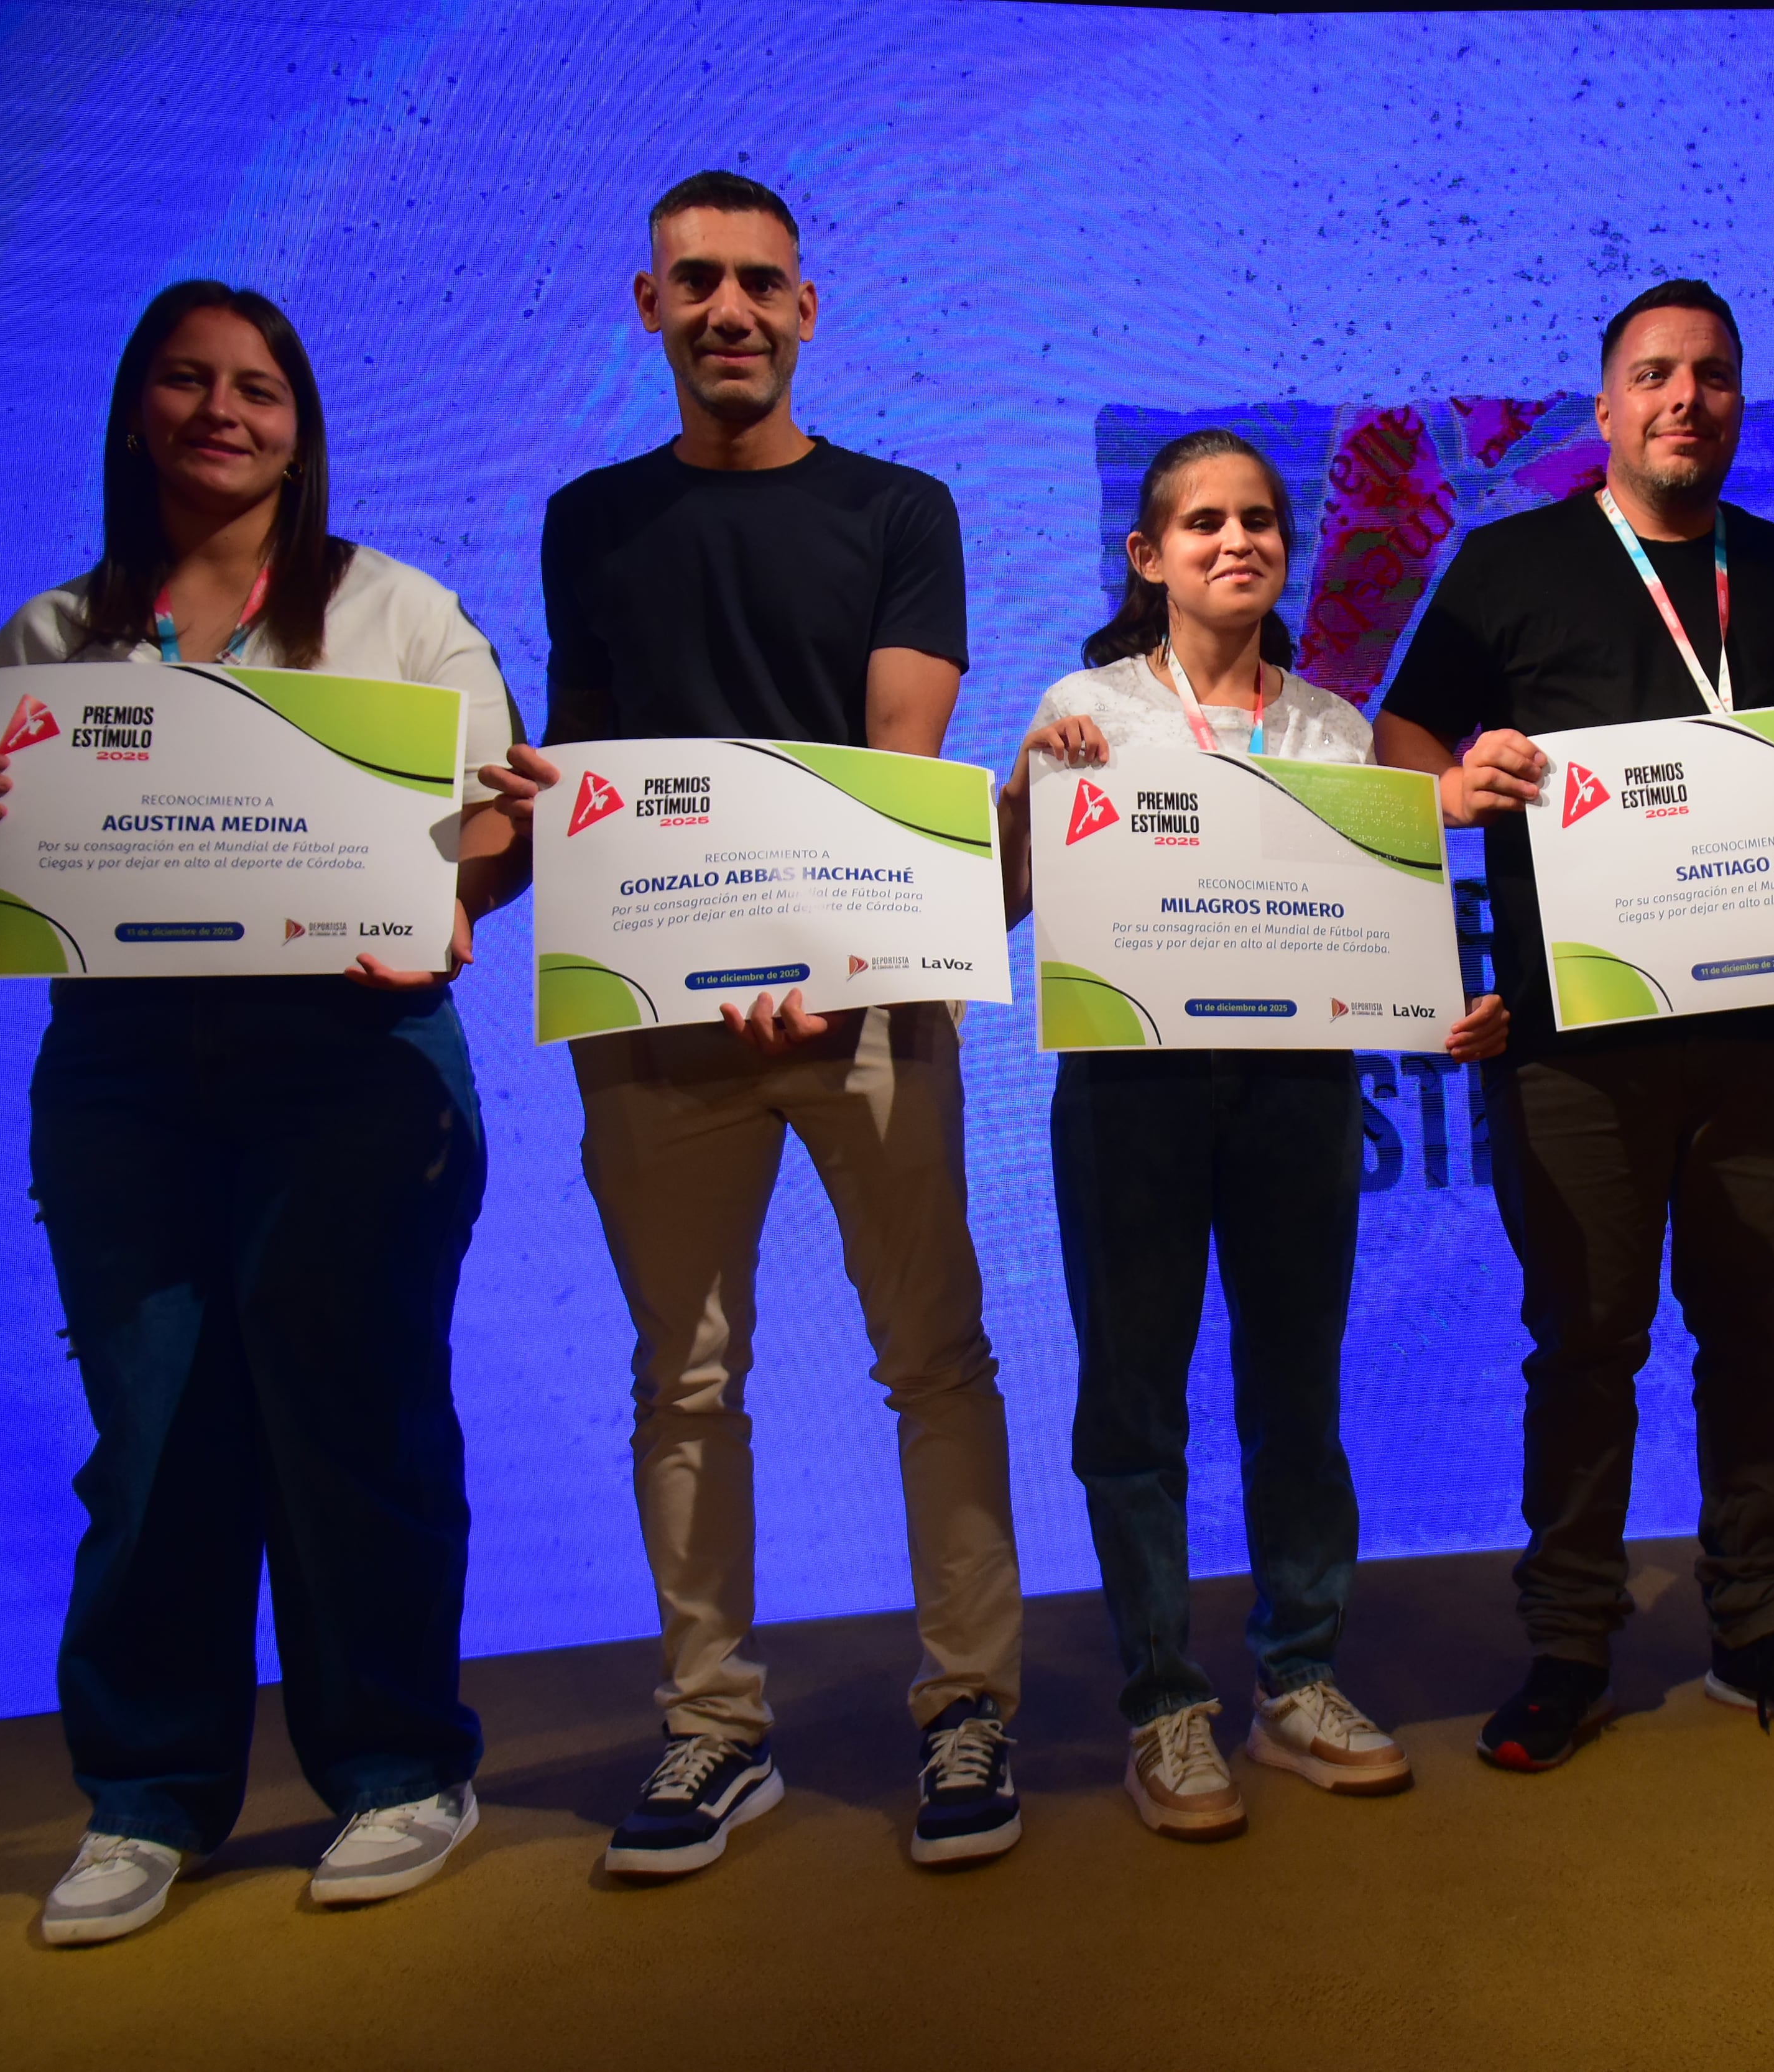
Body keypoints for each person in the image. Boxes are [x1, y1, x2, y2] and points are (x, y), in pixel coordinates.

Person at [0, 281, 529, 1945]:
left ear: (302, 424)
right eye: (186, 380)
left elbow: (488, 844)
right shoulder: (51, 641)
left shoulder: (397, 615)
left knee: (355, 1418)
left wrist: (480, 867)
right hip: (128, 1077)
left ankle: (399, 1766)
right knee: (157, 1432)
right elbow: (9, 849)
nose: (222, 409)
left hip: (356, 1071)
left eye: (258, 386)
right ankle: (146, 1796)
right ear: (133, 412)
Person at [502, 170, 1027, 1874]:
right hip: (653, 1022)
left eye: (761, 283)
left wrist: (811, 931)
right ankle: (713, 1724)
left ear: (808, 312)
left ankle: (968, 1708)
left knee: (932, 1356)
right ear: (648, 307)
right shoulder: (590, 519)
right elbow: (588, 763)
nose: (730, 309)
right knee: (685, 1375)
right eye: (696, 282)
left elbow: (897, 760)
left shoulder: (902, 508)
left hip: (865, 998)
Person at [1372, 279, 1774, 1769]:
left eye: (1715, 376)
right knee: (1585, 1341)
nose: (1687, 398)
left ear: (1739, 403)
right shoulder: (1509, 564)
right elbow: (1398, 737)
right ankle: (1567, 1642)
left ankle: (1760, 1623)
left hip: (1770, 1031)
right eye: (1655, 374)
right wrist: (1449, 780)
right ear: (1603, 405)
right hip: (1577, 1035)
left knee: (1756, 1333)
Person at [996, 428, 1510, 1838]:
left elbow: (1382, 928)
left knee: (1298, 1393)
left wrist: (1445, 1007)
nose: (1238, 540)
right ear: (1148, 555)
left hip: (1293, 1092)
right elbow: (994, 906)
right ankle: (1164, 1702)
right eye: (1204, 521)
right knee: (1133, 1401)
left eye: (1261, 520)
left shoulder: (1335, 732)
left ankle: (1298, 1678)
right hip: (1129, 1090)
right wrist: (1022, 791)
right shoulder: (1084, 707)